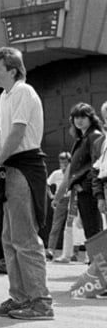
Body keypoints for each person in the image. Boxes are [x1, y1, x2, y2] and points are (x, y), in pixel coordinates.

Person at [0, 46, 53, 321]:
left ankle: (41, 302)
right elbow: (4, 135)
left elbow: (18, 132)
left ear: (12, 70)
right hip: (12, 167)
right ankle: (20, 297)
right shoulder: (5, 96)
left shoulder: (23, 91)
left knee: (25, 239)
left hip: (24, 166)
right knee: (10, 239)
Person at [65, 102, 104, 242]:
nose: (79, 120)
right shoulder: (82, 138)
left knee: (93, 230)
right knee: (90, 230)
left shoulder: (94, 136)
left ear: (91, 118)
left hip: (90, 191)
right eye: (76, 117)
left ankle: (99, 262)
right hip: (84, 191)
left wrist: (85, 186)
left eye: (83, 117)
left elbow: (98, 165)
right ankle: (96, 262)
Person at [45, 152, 72, 261]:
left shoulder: (72, 173)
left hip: (71, 199)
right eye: (61, 162)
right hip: (60, 200)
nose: (63, 165)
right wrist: (52, 196)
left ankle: (73, 252)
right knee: (56, 225)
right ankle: (51, 250)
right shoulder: (56, 173)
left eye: (65, 163)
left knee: (72, 227)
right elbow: (47, 184)